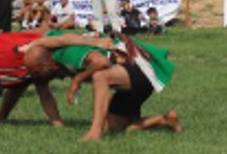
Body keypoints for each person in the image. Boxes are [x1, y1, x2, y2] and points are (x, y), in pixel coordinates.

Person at [24, 33, 181, 142]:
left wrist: (77, 80)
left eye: (36, 70)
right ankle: (165, 119)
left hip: (143, 70)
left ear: (46, 63)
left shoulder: (67, 53)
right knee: (116, 126)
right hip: (130, 78)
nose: (34, 74)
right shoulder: (52, 60)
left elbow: (101, 62)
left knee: (100, 76)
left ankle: (95, 132)